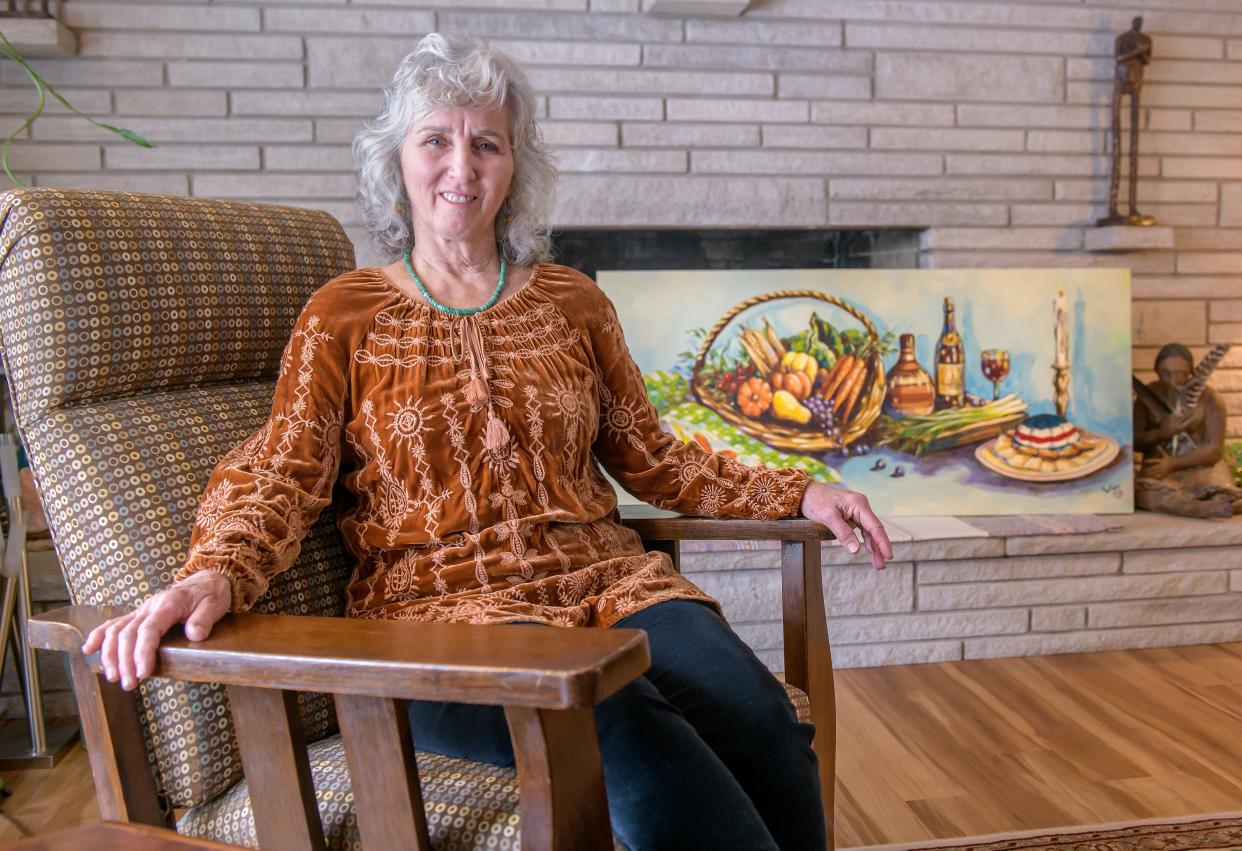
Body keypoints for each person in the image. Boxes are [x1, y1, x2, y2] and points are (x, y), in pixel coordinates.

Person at [83, 33, 892, 851]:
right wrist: (215, 571)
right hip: (443, 619)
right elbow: (281, 473)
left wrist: (797, 490)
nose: (461, 166)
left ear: (515, 168)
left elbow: (654, 456)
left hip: (614, 585)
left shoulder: (575, 303)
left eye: (487, 143)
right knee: (645, 749)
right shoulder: (342, 316)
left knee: (762, 723)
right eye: (435, 138)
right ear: (396, 161)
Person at [1134, 343, 1241, 518]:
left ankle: (1212, 505)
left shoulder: (1211, 399)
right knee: (1148, 496)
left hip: (1202, 468)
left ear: (1191, 372)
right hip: (1159, 470)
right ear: (1156, 370)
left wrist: (1174, 463)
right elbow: (1134, 440)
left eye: (1181, 374)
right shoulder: (1147, 396)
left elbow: (1214, 449)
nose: (1172, 380)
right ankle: (1200, 509)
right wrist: (1161, 433)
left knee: (1225, 496)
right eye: (1165, 373)